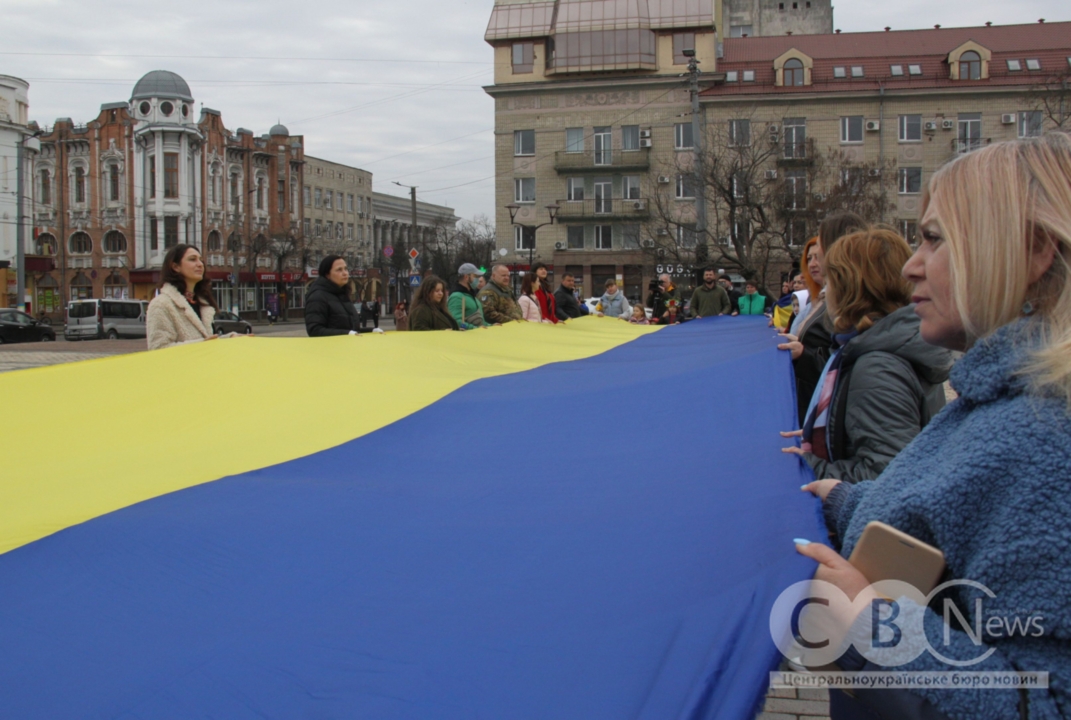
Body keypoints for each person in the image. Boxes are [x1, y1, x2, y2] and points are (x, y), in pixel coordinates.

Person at [797, 134, 1071, 720]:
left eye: (934, 239)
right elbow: (954, 509)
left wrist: (876, 623)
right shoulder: (1007, 397)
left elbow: (1043, 702)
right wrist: (847, 501)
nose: (910, 265)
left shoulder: (1051, 438)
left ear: (1034, 251)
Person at [781, 227, 952, 482]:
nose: (827, 293)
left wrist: (805, 466)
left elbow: (886, 477)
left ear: (851, 288)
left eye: (832, 281)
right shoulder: (887, 345)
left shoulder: (877, 367)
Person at [780, 213, 867, 425]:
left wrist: (802, 354)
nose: (814, 259)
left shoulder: (853, 301)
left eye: (820, 246)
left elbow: (845, 365)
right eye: (808, 258)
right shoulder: (822, 299)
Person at [147, 244, 225, 350]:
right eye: (192, 259)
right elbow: (159, 349)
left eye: (201, 260)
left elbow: (209, 340)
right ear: (175, 267)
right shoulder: (161, 304)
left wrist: (231, 339)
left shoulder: (203, 304)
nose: (200, 264)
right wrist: (201, 344)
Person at [305, 256, 369, 337]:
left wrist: (372, 331)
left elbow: (351, 330)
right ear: (327, 274)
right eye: (339, 270)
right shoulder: (317, 297)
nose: (345, 273)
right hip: (330, 348)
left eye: (346, 269)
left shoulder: (342, 294)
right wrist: (347, 334)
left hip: (346, 347)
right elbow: (315, 330)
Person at [448, 263, 487, 329]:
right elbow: (455, 322)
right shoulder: (456, 297)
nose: (478, 279)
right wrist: (475, 328)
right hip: (465, 338)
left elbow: (481, 322)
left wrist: (491, 326)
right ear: (466, 277)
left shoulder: (472, 296)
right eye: (475, 276)